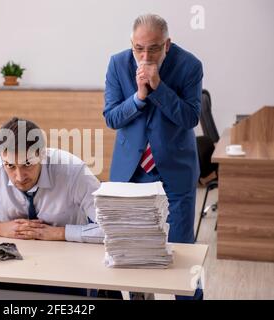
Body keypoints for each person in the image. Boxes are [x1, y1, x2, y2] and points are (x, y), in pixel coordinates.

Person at [0, 117, 107, 296]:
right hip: (7, 261)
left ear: (42, 154)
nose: (19, 176)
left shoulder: (73, 171)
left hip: (64, 266)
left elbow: (114, 229)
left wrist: (61, 233)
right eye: (10, 166)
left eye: (27, 164)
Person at [103, 14, 203, 300]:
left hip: (175, 172)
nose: (145, 56)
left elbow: (189, 118)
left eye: (154, 48)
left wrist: (158, 86)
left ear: (167, 45)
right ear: (131, 44)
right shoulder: (117, 63)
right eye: (139, 48)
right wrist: (138, 98)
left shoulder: (189, 66)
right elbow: (111, 117)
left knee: (184, 255)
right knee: (133, 254)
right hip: (131, 174)